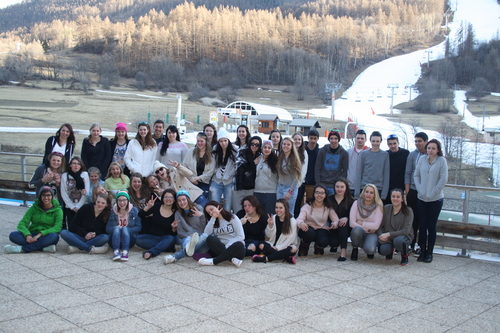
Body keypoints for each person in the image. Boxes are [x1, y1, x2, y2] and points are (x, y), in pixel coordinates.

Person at [414, 139, 448, 263]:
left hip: (435, 199)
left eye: (433, 148)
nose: (430, 150)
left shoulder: (441, 161)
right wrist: (420, 189)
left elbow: (443, 179)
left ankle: (429, 252)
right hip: (422, 198)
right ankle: (422, 251)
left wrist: (434, 191)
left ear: (438, 150)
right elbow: (416, 175)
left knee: (431, 226)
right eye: (429, 148)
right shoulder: (422, 159)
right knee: (422, 226)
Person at [5, 186, 62, 254]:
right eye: (43, 195)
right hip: (32, 233)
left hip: (45, 236)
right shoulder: (34, 208)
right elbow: (22, 224)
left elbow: (57, 228)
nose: (46, 198)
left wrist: (40, 234)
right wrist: (27, 235)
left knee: (54, 237)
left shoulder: (58, 210)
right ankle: (43, 248)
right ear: (40, 196)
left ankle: (22, 249)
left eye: (48, 195)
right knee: (13, 235)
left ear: (52, 196)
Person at [164, 189, 208, 264]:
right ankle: (188, 248)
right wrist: (190, 234)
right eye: (179, 201)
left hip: (201, 240)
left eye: (183, 200)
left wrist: (201, 216)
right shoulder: (178, 213)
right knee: (187, 239)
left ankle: (175, 257)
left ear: (188, 199)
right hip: (188, 238)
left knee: (205, 235)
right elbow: (180, 232)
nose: (182, 202)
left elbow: (205, 228)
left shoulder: (198, 208)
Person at [297, 184, 339, 257]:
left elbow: (336, 220)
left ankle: (318, 247)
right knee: (309, 233)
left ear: (325, 195)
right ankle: (304, 246)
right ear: (314, 194)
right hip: (308, 228)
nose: (319, 195)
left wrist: (334, 224)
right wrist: (301, 223)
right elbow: (299, 219)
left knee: (324, 241)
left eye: (322, 193)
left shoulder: (328, 207)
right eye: (317, 192)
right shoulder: (307, 206)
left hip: (321, 228)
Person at [199, 201, 245, 267]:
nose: (211, 213)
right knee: (210, 239)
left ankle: (214, 261)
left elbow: (241, 236)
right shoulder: (213, 221)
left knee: (240, 244)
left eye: (211, 209)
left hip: (234, 248)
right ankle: (232, 259)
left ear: (218, 206)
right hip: (221, 248)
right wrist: (213, 218)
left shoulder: (232, 217)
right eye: (209, 212)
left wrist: (228, 245)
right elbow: (206, 234)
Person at [252, 199, 298, 264]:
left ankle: (266, 258)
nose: (278, 210)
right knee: (261, 245)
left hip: (285, 247)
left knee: (293, 248)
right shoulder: (274, 217)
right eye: (276, 207)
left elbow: (290, 240)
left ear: (286, 209)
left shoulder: (292, 221)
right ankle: (286, 257)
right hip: (272, 245)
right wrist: (269, 226)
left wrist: (277, 248)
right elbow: (268, 236)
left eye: (280, 208)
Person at [136, 189, 178, 260]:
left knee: (170, 239)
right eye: (166, 197)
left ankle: (152, 252)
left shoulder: (176, 211)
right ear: (162, 198)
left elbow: (174, 233)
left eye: (170, 197)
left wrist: (173, 228)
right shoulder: (156, 206)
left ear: (174, 199)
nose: (168, 199)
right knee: (138, 239)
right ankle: (165, 247)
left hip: (166, 237)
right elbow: (140, 215)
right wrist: (148, 206)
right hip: (152, 236)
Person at [404, 132, 428, 254]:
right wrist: (407, 190)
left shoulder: (430, 155)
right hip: (413, 190)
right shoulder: (412, 155)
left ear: (426, 141)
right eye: (416, 141)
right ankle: (411, 243)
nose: (418, 143)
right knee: (412, 218)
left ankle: (422, 245)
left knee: (423, 219)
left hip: (425, 191)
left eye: (420, 141)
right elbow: (408, 172)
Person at [377, 188, 414, 266]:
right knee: (383, 250)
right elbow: (379, 225)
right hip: (388, 237)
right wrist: (381, 236)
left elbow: (406, 230)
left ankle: (404, 256)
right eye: (393, 196)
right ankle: (390, 251)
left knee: (399, 241)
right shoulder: (386, 208)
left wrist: (388, 234)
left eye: (398, 197)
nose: (395, 199)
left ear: (402, 199)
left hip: (403, 237)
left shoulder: (408, 211)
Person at [349, 184, 384, 260]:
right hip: (362, 232)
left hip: (372, 234)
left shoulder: (378, 206)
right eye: (367, 192)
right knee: (357, 230)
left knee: (370, 250)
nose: (368, 194)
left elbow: (376, 226)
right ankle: (355, 248)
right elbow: (352, 223)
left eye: (371, 193)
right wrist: (367, 229)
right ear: (363, 193)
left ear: (375, 195)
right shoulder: (356, 203)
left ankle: (367, 246)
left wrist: (361, 223)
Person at [106, 191, 141, 261]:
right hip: (114, 240)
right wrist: (118, 229)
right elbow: (108, 229)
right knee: (116, 228)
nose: (122, 203)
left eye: (124, 200)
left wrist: (126, 230)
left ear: (128, 200)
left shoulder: (134, 210)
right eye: (120, 200)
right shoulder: (112, 211)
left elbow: (138, 227)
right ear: (116, 201)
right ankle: (116, 251)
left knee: (125, 228)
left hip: (130, 240)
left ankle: (125, 252)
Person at [355, 131, 390, 201]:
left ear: (381, 141)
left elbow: (386, 175)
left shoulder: (385, 155)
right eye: (373, 141)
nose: (375, 143)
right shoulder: (363, 154)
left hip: (378, 189)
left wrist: (384, 194)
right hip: (364, 188)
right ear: (370, 141)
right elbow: (359, 173)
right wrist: (357, 193)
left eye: (377, 141)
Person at [210, 128, 237, 211]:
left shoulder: (235, 151)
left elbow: (236, 166)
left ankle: (226, 222)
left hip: (229, 181)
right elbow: (212, 165)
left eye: (225, 140)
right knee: (214, 205)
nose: (223, 143)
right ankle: (215, 222)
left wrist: (229, 175)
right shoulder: (215, 150)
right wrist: (216, 173)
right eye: (221, 141)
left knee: (227, 206)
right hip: (216, 181)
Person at [315, 130, 348, 196]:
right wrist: (318, 183)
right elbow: (317, 168)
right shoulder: (322, 151)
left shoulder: (344, 153)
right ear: (329, 139)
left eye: (335, 138)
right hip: (322, 184)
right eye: (331, 138)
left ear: (338, 139)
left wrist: (339, 184)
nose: (333, 141)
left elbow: (345, 170)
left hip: (335, 185)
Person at [233, 135, 262, 211]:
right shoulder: (242, 152)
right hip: (239, 186)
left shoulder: (260, 155)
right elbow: (238, 168)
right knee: (238, 210)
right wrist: (252, 163)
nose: (254, 146)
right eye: (252, 144)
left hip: (252, 187)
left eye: (257, 145)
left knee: (250, 210)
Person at [183, 132, 215, 199]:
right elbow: (184, 166)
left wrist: (197, 178)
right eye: (198, 141)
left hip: (204, 183)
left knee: (201, 202)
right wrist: (191, 178)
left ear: (206, 142)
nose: (199, 143)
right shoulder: (191, 152)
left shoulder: (211, 155)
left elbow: (210, 172)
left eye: (202, 141)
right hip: (190, 182)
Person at [328, 178, 355, 261]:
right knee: (333, 243)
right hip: (333, 226)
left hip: (346, 227)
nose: (339, 189)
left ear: (346, 188)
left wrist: (347, 218)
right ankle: (335, 245)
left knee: (343, 225)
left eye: (342, 187)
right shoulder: (329, 199)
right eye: (337, 187)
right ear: (334, 187)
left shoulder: (351, 201)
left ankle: (343, 253)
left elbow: (355, 215)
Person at [61, 156, 90, 228]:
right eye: (74, 163)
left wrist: (78, 206)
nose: (76, 165)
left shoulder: (84, 174)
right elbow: (63, 192)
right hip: (69, 206)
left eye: (78, 164)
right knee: (71, 227)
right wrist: (72, 207)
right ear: (70, 165)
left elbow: (86, 191)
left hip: (81, 206)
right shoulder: (65, 175)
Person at [276, 137, 303, 214]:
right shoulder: (280, 157)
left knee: (289, 212)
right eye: (284, 144)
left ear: (292, 146)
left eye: (288, 144)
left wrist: (290, 191)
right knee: (279, 212)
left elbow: (296, 177)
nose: (285, 146)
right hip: (280, 187)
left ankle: (290, 226)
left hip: (290, 188)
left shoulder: (294, 159)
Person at [253, 140, 279, 215]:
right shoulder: (258, 160)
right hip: (257, 191)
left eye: (269, 148)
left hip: (270, 192)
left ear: (271, 149)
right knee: (258, 215)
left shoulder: (275, 161)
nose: (267, 149)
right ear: (262, 148)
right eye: (265, 147)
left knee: (269, 215)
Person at [386, 134, 409, 205]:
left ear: (398, 143)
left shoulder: (406, 153)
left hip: (401, 186)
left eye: (394, 143)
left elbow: (408, 171)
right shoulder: (386, 154)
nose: (392, 146)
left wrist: (406, 188)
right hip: (388, 186)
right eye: (390, 144)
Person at [301, 130, 320, 213]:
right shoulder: (302, 150)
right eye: (311, 138)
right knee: (299, 204)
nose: (313, 140)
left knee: (310, 204)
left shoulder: (319, 152)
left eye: (315, 138)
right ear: (308, 138)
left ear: (318, 139)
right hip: (300, 182)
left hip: (312, 182)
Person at [346, 129, 369, 194]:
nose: (360, 140)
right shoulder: (349, 152)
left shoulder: (369, 152)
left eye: (362, 138)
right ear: (355, 139)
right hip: (350, 186)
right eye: (358, 138)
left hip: (364, 187)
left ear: (365, 139)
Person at [292, 132, 308, 217]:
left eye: (299, 139)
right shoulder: (288, 151)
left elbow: (304, 170)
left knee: (296, 206)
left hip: (299, 184)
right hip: (287, 184)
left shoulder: (304, 153)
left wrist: (297, 183)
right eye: (295, 139)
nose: (297, 141)